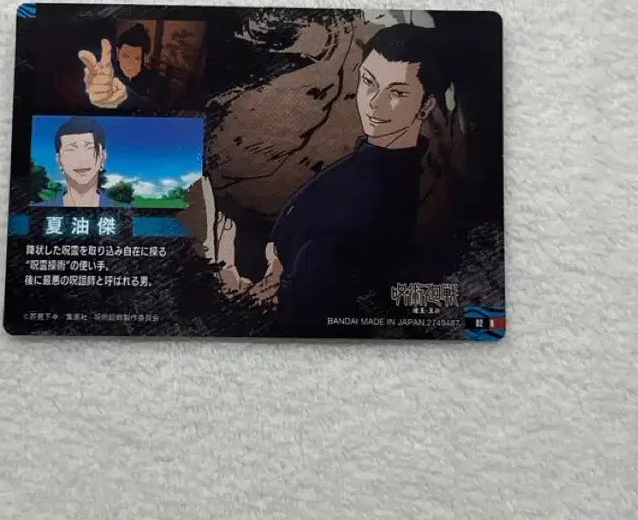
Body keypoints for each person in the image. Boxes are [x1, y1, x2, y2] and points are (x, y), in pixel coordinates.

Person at [213, 23, 444, 322]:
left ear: (425, 106)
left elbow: (319, 294)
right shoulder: (371, 164)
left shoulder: (386, 190)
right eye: (369, 82)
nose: (375, 103)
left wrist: (259, 291)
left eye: (396, 92)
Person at [78, 24, 168, 110]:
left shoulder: (156, 81)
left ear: (143, 58)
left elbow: (159, 110)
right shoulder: (107, 74)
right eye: (125, 56)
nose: (130, 65)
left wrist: (127, 95)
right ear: (118, 52)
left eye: (137, 58)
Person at [34, 117, 118, 207]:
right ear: (59, 160)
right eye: (71, 150)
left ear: (103, 156)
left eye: (90, 148)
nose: (81, 159)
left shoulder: (122, 210)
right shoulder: (38, 211)